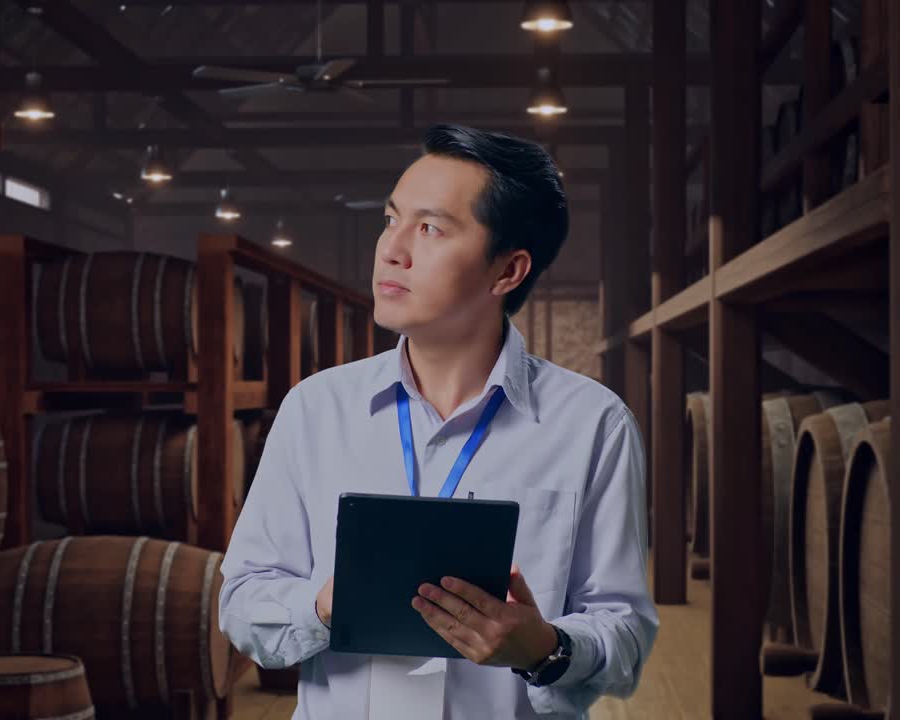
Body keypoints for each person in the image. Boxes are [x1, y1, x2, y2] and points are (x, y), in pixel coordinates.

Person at [218, 124, 658, 719]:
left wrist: (546, 649)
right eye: (390, 219)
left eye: (430, 228)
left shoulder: (594, 426)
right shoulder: (315, 409)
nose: (391, 249)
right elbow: (242, 601)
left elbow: (625, 635)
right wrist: (322, 606)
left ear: (507, 271)